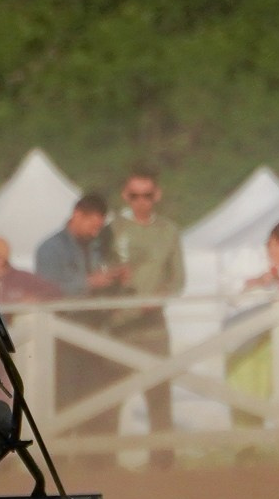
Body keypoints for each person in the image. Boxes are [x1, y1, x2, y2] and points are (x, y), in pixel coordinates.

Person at [107, 167, 184, 466]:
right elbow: (98, 269)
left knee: (159, 396)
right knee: (109, 398)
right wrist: (112, 277)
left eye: (147, 195)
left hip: (153, 327)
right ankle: (105, 462)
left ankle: (163, 461)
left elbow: (178, 279)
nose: (141, 201)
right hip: (118, 326)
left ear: (157, 195)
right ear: (125, 196)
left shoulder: (169, 231)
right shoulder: (112, 229)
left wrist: (162, 294)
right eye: (134, 195)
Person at [35, 194, 127, 440]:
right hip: (63, 334)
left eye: (99, 226)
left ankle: (94, 462)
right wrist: (88, 283)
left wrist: (113, 280)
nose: (96, 232)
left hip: (95, 331)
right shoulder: (49, 249)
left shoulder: (98, 247)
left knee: (95, 396)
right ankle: (61, 460)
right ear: (77, 215)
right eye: (93, 225)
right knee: (65, 397)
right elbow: (47, 291)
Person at [226, 220, 279, 433]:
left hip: (271, 340)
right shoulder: (247, 256)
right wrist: (260, 279)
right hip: (241, 338)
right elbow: (230, 293)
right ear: (273, 242)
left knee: (266, 395)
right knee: (242, 394)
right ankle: (243, 447)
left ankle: (260, 442)